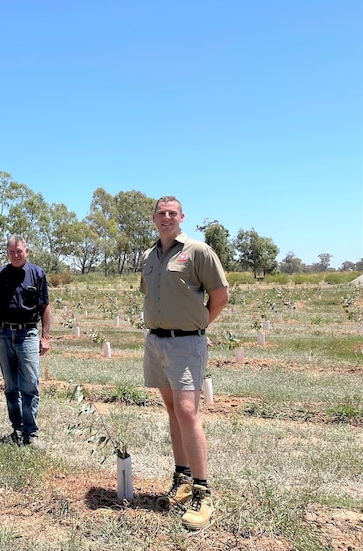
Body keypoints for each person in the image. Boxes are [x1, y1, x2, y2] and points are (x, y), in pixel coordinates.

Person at [140, 196, 229, 530]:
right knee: (173, 411)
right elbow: (150, 295)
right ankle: (183, 479)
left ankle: (203, 494)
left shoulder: (198, 251)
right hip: (156, 342)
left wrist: (199, 326)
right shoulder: (149, 255)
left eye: (172, 213)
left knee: (189, 413)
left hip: (186, 343)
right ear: (154, 218)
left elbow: (220, 296)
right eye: (161, 213)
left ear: (181, 217)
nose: (166, 218)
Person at [0, 235, 51, 448]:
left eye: (19, 251)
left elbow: (45, 307)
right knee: (11, 385)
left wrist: (45, 337)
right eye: (12, 252)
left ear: (27, 251)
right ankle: (17, 428)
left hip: (28, 335)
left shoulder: (37, 274)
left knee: (30, 384)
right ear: (7, 253)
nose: (16, 255)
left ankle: (31, 432)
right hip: (4, 333)